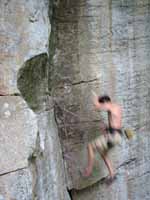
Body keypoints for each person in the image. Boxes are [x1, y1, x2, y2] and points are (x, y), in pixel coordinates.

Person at [83, 95, 122, 182]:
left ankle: (88, 169)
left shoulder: (110, 106)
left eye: (103, 104)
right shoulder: (117, 107)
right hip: (117, 136)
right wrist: (107, 128)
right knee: (103, 153)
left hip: (113, 137)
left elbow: (98, 106)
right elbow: (115, 123)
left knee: (90, 146)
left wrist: (95, 100)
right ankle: (112, 174)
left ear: (105, 102)